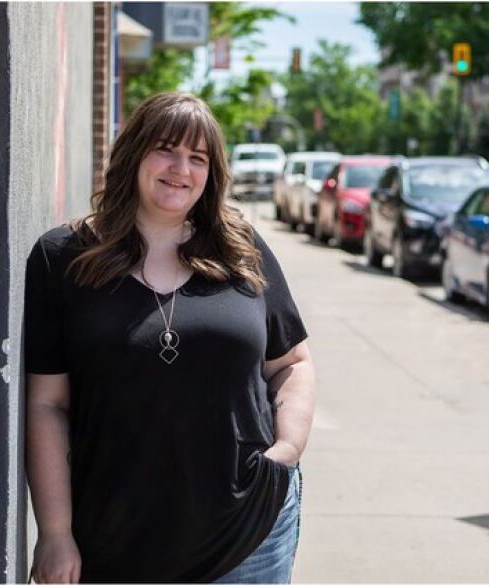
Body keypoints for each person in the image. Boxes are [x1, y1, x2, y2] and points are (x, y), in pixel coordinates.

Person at [24, 92, 316, 584]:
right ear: (134, 154)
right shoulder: (64, 259)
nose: (181, 168)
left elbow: (292, 362)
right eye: (166, 149)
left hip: (248, 532)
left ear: (212, 172)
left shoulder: (241, 251)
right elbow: (47, 404)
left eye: (197, 158)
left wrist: (286, 448)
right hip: (116, 538)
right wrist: (55, 532)